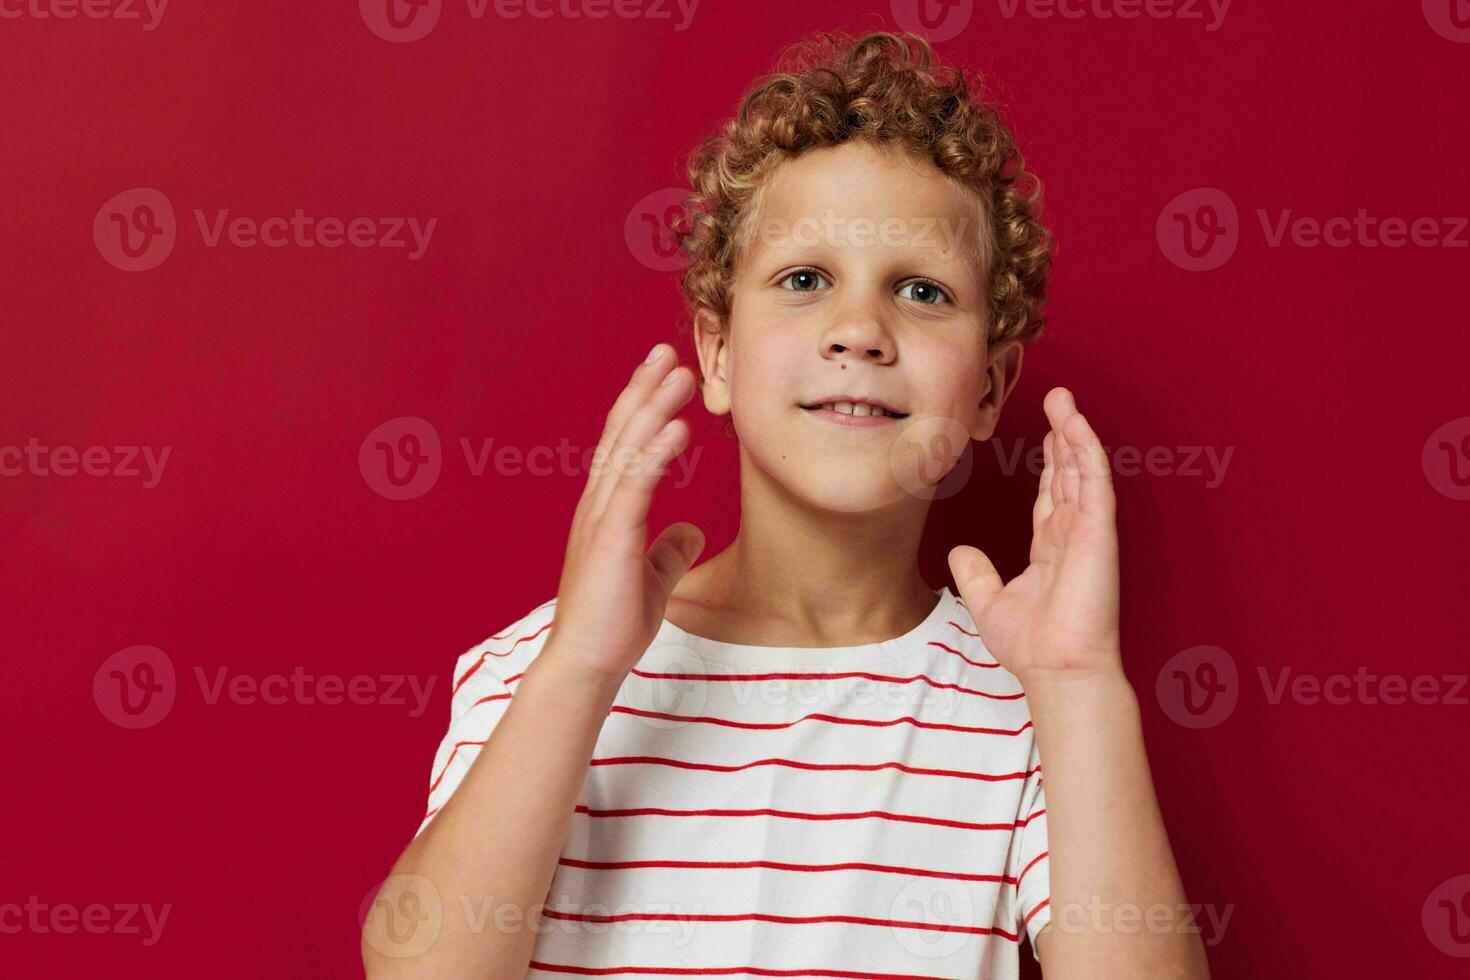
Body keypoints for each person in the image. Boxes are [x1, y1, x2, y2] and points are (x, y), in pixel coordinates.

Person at [363, 30, 1209, 980]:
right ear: (718, 354)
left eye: (922, 291)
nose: (859, 331)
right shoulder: (548, 667)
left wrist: (1080, 687)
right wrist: (580, 669)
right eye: (805, 280)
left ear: (986, 388)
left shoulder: (1032, 708)